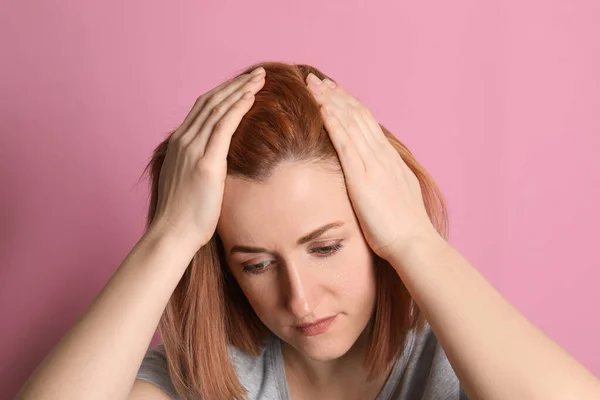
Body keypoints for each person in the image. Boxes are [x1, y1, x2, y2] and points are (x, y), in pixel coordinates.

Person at [17, 62, 600, 400]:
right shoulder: (212, 377)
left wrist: (416, 241)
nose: (299, 299)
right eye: (256, 264)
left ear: (377, 225)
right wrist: (169, 235)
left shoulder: (458, 358)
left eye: (325, 247)